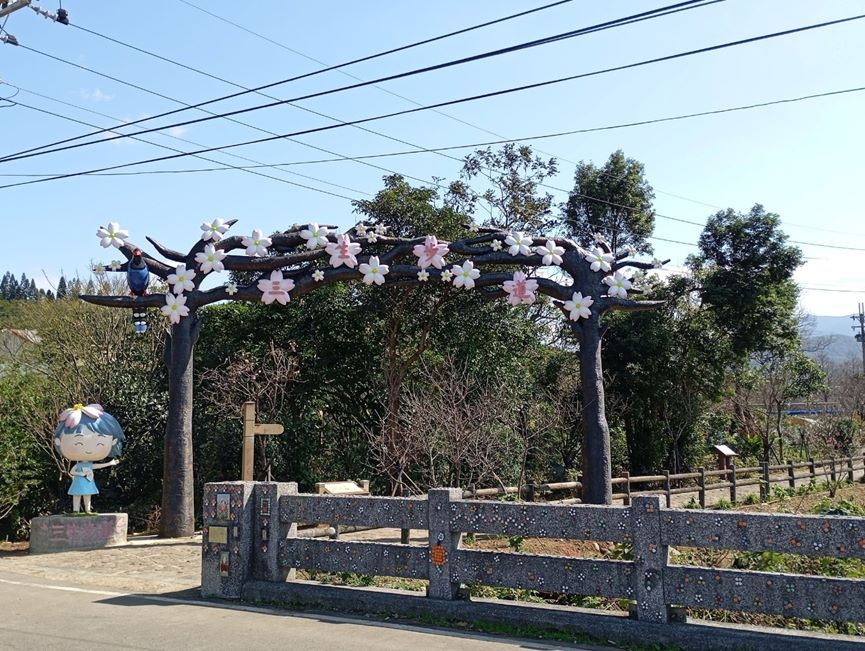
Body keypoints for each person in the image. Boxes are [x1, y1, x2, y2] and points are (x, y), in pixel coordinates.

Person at [53, 403, 125, 514]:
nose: (89, 450)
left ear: (113, 442)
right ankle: (76, 510)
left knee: (88, 495)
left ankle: (87, 509)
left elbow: (96, 466)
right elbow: (72, 471)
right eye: (78, 443)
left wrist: (110, 463)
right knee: (77, 495)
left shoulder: (88, 465)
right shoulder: (78, 465)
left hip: (88, 482)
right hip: (79, 482)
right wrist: (82, 474)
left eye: (99, 444)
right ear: (58, 441)